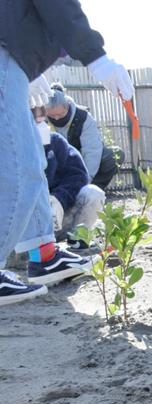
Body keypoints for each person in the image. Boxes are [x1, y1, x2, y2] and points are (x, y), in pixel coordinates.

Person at [0, 0, 134, 305]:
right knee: (18, 170)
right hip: (6, 52)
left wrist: (28, 68)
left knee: (32, 161)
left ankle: (44, 255)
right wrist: (95, 56)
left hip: (13, 54)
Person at [31, 107, 106, 249]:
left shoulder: (56, 142)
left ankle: (78, 238)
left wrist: (58, 199)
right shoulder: (9, 151)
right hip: (27, 229)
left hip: (62, 217)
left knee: (93, 193)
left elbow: (79, 176)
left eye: (41, 120)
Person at [46, 83, 126, 191]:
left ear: (68, 106)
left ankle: (92, 190)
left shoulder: (83, 117)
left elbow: (92, 151)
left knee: (115, 155)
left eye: (60, 115)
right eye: (51, 116)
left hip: (81, 162)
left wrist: (83, 182)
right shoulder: (41, 119)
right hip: (56, 165)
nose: (56, 119)